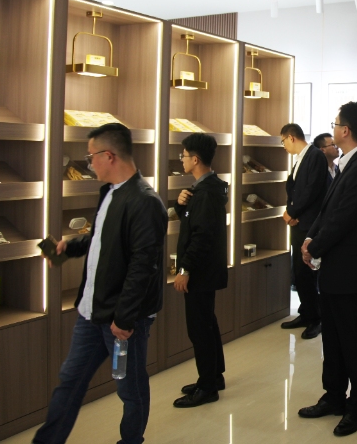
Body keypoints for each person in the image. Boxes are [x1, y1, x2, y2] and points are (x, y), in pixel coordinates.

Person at [35, 123, 166, 444]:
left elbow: (143, 266)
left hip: (122, 319)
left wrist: (124, 318)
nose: (89, 163)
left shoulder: (145, 202)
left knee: (130, 388)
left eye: (91, 156)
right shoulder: (108, 191)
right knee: (69, 381)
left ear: (109, 156)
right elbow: (101, 239)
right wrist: (70, 247)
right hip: (90, 311)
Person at [297, 102, 357, 437]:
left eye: (335, 124)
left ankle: (356, 406)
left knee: (352, 342)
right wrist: (310, 238)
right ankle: (333, 396)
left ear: (345, 130)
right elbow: (327, 210)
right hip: (335, 269)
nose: (332, 129)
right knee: (332, 339)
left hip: (351, 272)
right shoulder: (347, 162)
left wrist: (314, 246)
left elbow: (344, 218)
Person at [172, 133, 229, 408]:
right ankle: (213, 376)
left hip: (200, 271)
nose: (181, 160)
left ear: (195, 159)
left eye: (183, 156)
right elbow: (192, 222)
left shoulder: (205, 193)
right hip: (206, 270)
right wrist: (180, 204)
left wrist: (185, 269)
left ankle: (207, 387)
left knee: (199, 329)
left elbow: (201, 236)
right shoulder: (207, 188)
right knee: (207, 323)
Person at [280, 123, 329, 339]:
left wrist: (292, 212)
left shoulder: (315, 156)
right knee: (299, 272)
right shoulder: (301, 158)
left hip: (309, 224)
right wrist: (292, 212)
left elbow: (312, 190)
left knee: (308, 271)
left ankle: (316, 319)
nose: (283, 146)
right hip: (299, 222)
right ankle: (306, 313)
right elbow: (295, 189)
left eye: (283, 141)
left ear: (291, 137)